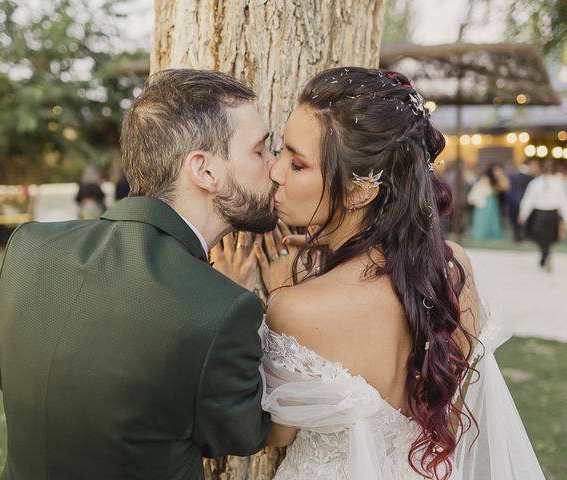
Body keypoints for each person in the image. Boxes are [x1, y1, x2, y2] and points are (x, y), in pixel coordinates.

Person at [229, 67, 544, 479]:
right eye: (280, 152)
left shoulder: (294, 306)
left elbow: (276, 433)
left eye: (298, 163)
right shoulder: (453, 268)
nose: (275, 172)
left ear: (361, 190)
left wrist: (242, 301)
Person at [0, 69, 277, 480]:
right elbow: (243, 434)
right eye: (260, 150)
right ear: (205, 171)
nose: (275, 167)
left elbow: (7, 375)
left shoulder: (29, 246)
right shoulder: (222, 311)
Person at [519, 160, 567, 271]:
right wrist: (523, 214)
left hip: (549, 212)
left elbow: (563, 201)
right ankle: (546, 253)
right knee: (540, 236)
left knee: (546, 236)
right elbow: (529, 200)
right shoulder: (536, 183)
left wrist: (565, 217)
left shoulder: (557, 183)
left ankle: (545, 254)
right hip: (541, 212)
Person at [468, 163, 510, 241]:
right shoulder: (486, 178)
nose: (498, 171)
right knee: (483, 219)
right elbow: (492, 189)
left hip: (493, 201)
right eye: (496, 169)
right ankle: (481, 235)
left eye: (499, 170)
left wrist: (500, 176)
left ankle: (492, 234)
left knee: (493, 219)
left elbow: (506, 187)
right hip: (486, 201)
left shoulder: (498, 178)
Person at [506, 159, 539, 241]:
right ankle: (523, 237)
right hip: (522, 201)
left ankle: (519, 237)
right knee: (521, 221)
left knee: (516, 221)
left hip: (515, 200)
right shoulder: (528, 176)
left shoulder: (518, 174)